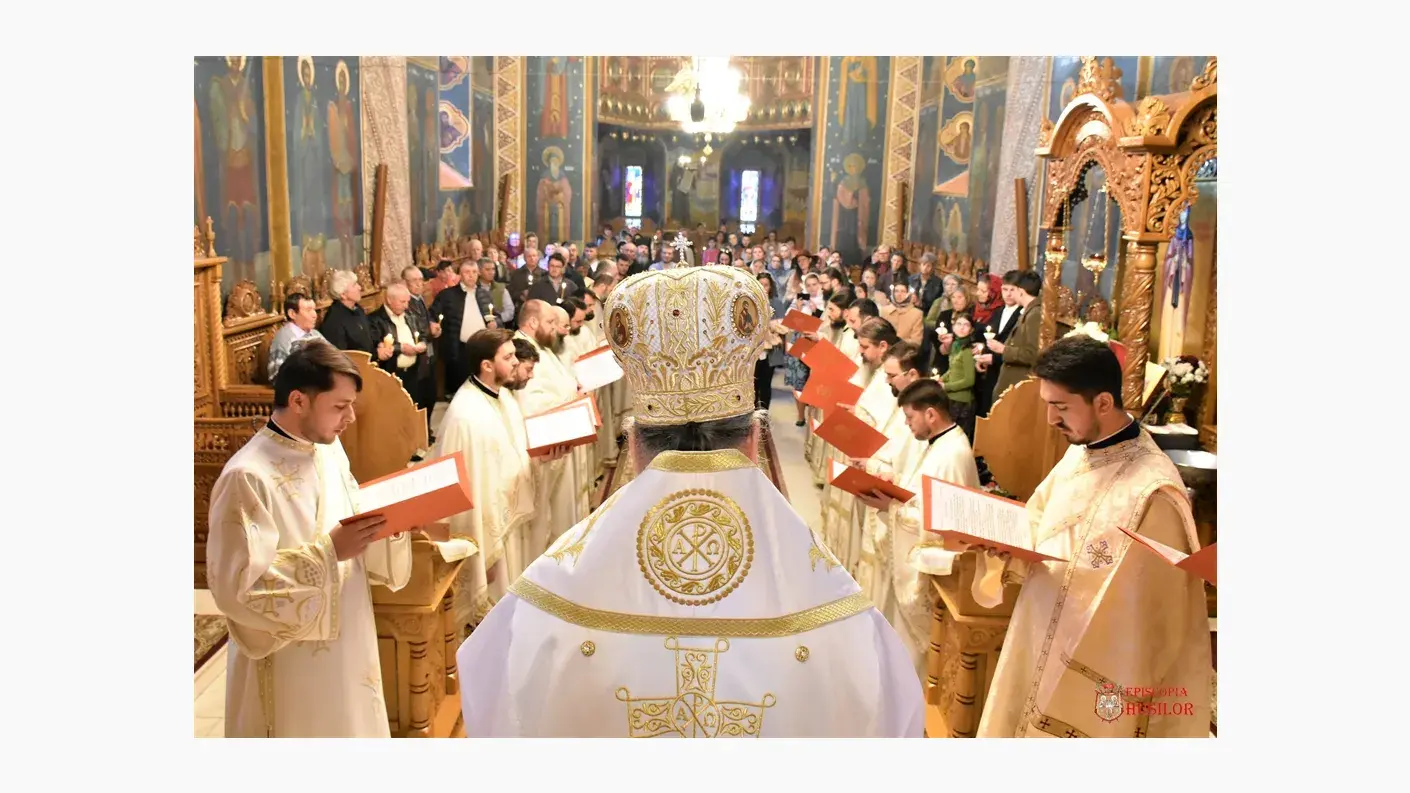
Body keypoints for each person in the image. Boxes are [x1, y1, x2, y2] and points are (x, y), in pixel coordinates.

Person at [457, 265, 924, 737]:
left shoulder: (547, 596)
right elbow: (890, 717)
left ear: (633, 446)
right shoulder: (837, 606)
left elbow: (492, 698)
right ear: (754, 441)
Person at [969, 336, 1210, 738]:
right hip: (1036, 630)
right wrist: (1003, 546)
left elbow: (1155, 616)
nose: (1051, 419)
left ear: (1103, 403)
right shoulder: (1082, 450)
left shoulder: (1154, 491)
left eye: (1061, 407)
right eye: (1048, 404)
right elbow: (1038, 518)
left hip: (1089, 667)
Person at [206, 340, 413, 737]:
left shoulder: (327, 451)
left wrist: (391, 525)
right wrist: (329, 552)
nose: (350, 417)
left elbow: (350, 514)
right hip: (290, 663)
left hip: (348, 636)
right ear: (298, 400)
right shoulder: (247, 476)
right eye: (340, 406)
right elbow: (235, 590)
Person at [858, 378, 979, 676]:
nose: (907, 424)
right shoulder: (941, 444)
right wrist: (894, 490)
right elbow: (923, 496)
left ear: (931, 414)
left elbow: (940, 527)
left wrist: (891, 506)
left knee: (914, 660)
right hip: (915, 550)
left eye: (910, 417)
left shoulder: (951, 456)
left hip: (931, 572)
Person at [433, 329, 538, 635]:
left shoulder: (502, 396)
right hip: (490, 529)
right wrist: (481, 552)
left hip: (509, 521)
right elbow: (467, 492)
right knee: (493, 622)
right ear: (487, 365)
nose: (516, 361)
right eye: (509, 356)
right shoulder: (465, 417)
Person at [514, 299, 583, 554]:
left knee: (557, 506)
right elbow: (530, 402)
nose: (555, 327)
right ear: (533, 322)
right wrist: (570, 401)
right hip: (546, 439)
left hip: (560, 433)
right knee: (543, 512)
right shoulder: (521, 352)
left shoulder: (540, 347)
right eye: (550, 322)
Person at [430, 259, 488, 395]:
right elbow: (432, 315)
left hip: (483, 348)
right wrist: (433, 324)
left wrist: (495, 323)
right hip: (459, 349)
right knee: (460, 390)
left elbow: (494, 315)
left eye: (474, 272)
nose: (471, 275)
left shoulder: (484, 294)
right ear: (460, 274)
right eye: (467, 272)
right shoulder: (447, 295)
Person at [990, 269, 1043, 401]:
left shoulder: (1035, 314)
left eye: (1013, 290)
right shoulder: (1029, 311)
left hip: (1018, 385)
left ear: (1020, 291)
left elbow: (1033, 354)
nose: (1010, 295)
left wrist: (1003, 349)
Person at [937, 312, 978, 440]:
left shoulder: (967, 350)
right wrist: (941, 379)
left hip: (962, 402)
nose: (962, 327)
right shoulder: (955, 345)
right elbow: (952, 369)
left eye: (966, 325)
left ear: (971, 330)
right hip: (951, 398)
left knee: (957, 438)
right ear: (953, 327)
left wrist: (946, 386)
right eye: (959, 324)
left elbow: (969, 380)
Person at [266, 292, 324, 382]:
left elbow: (335, 358)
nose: (315, 315)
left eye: (314, 310)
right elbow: (276, 376)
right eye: (309, 310)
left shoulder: (315, 334)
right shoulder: (283, 339)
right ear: (292, 314)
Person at [319, 270, 377, 356]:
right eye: (354, 285)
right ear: (343, 294)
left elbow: (368, 337)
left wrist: (378, 348)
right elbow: (341, 355)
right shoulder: (334, 320)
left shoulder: (357, 309)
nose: (360, 287)